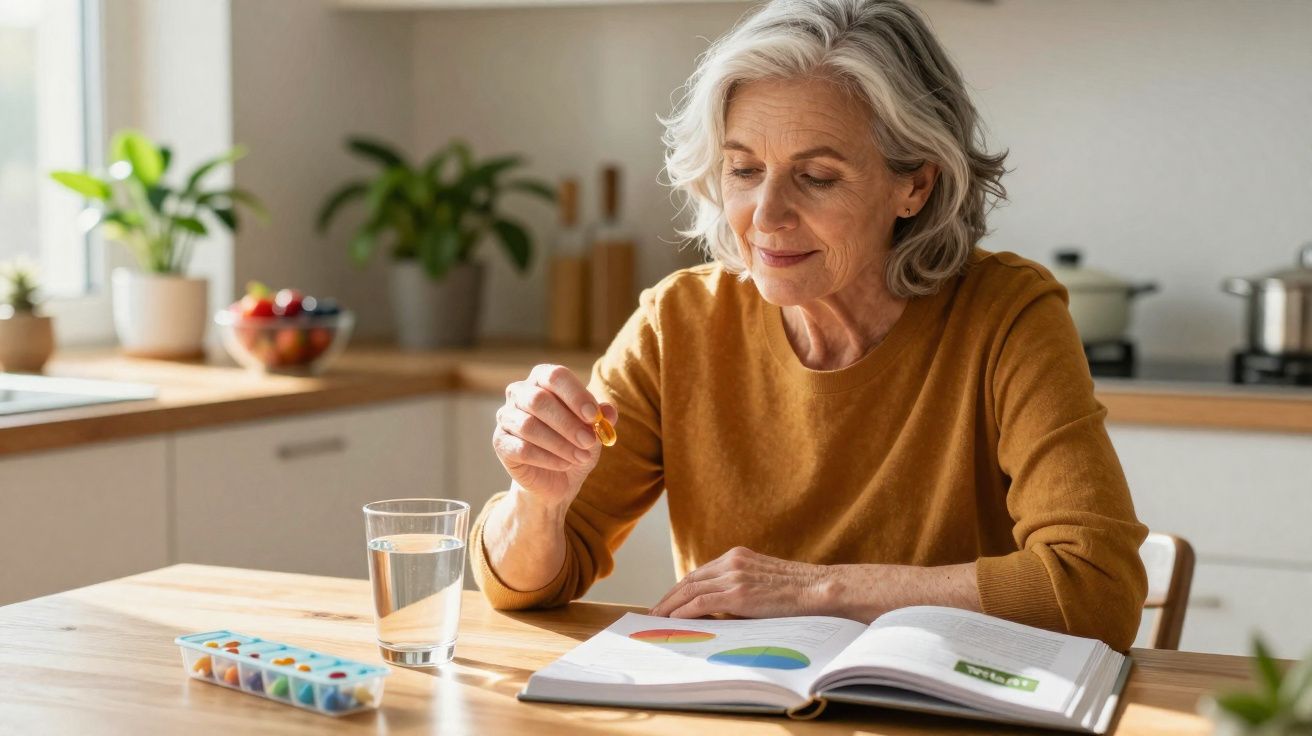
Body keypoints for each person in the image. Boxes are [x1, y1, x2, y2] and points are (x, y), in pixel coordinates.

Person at [471, 0, 1148, 650]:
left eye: (817, 177)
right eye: (743, 169)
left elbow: (1094, 588)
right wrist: (538, 503)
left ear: (914, 185)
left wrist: (820, 589)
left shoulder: (1006, 316)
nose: (766, 215)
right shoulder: (680, 323)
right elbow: (524, 588)